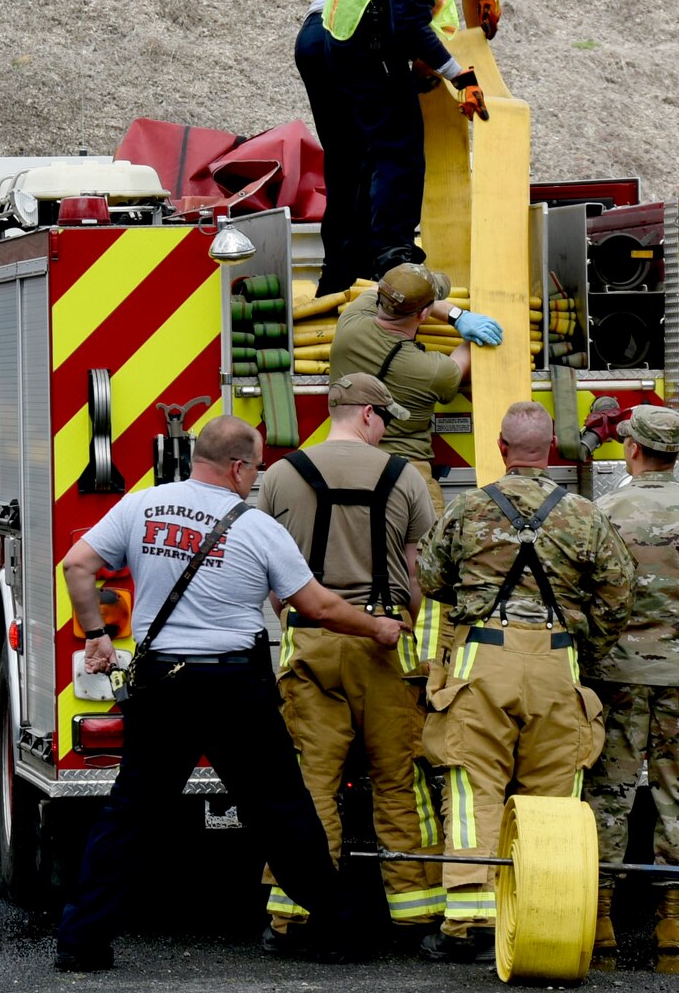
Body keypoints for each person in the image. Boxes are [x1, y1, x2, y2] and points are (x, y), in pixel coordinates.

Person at [52, 417, 406, 971]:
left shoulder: (141, 507)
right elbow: (317, 607)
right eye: (256, 466)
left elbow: (77, 565)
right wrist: (377, 628)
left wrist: (97, 634)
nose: (256, 477)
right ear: (238, 467)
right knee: (281, 814)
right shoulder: (257, 527)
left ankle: (81, 942)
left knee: (129, 815)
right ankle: (342, 933)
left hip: (162, 683)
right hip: (234, 686)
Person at [416, 402, 635, 962]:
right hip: (558, 664)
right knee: (554, 798)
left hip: (482, 663)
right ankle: (546, 915)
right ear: (552, 451)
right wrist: (584, 649)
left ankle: (468, 922)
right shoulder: (585, 514)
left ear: (501, 447)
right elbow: (617, 593)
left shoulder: (467, 508)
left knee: (472, 785)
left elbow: (432, 580)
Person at [255, 375, 441, 953]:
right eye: (384, 417)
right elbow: (418, 573)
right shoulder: (403, 476)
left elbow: (262, 567)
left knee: (310, 784)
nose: (387, 427)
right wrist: (416, 635)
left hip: (310, 642)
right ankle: (414, 917)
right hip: (383, 643)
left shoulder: (282, 475)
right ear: (365, 415)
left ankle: (295, 917)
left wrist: (287, 615)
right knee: (398, 780)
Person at [296, 0, 502, 292]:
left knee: (350, 160)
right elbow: (410, 28)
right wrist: (455, 75)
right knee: (400, 147)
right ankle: (393, 261)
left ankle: (338, 278)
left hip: (322, 33)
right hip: (363, 45)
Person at [583, 406, 679, 974]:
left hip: (615, 676)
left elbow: (585, 597)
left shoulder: (601, 514)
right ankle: (670, 917)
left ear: (632, 449)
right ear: (675, 454)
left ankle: (601, 916)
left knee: (608, 791)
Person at [328, 263, 500, 517]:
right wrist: (459, 316)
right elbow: (474, 345)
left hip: (347, 472)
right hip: (407, 479)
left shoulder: (349, 325)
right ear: (423, 314)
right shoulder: (432, 371)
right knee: (423, 554)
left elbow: (378, 290)